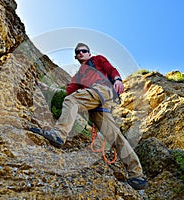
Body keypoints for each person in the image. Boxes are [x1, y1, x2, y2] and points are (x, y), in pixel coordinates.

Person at [30, 42, 148, 190]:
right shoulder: (77, 76)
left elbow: (110, 70)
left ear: (89, 53)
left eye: (84, 51)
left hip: (102, 90)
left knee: (72, 101)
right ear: (75, 57)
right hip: (96, 106)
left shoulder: (98, 60)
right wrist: (47, 88)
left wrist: (117, 79)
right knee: (115, 137)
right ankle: (137, 176)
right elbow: (67, 92)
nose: (81, 53)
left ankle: (59, 134)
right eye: (78, 52)